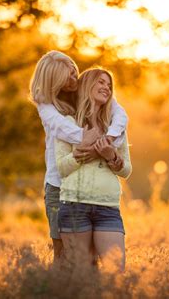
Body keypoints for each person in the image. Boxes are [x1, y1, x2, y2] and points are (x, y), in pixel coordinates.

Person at [29, 51, 128, 264]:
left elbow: (120, 115)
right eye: (68, 77)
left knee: (90, 259)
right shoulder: (47, 105)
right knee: (64, 257)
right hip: (58, 184)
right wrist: (88, 138)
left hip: (88, 188)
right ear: (54, 81)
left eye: (74, 72)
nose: (75, 79)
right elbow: (62, 128)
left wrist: (109, 138)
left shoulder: (83, 92)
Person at [55, 67, 132, 271]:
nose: (106, 87)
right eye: (100, 82)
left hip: (108, 207)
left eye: (109, 85)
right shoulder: (68, 123)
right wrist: (81, 152)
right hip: (74, 205)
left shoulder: (116, 127)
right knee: (82, 274)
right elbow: (62, 167)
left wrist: (111, 156)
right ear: (87, 85)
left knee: (115, 271)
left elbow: (126, 170)